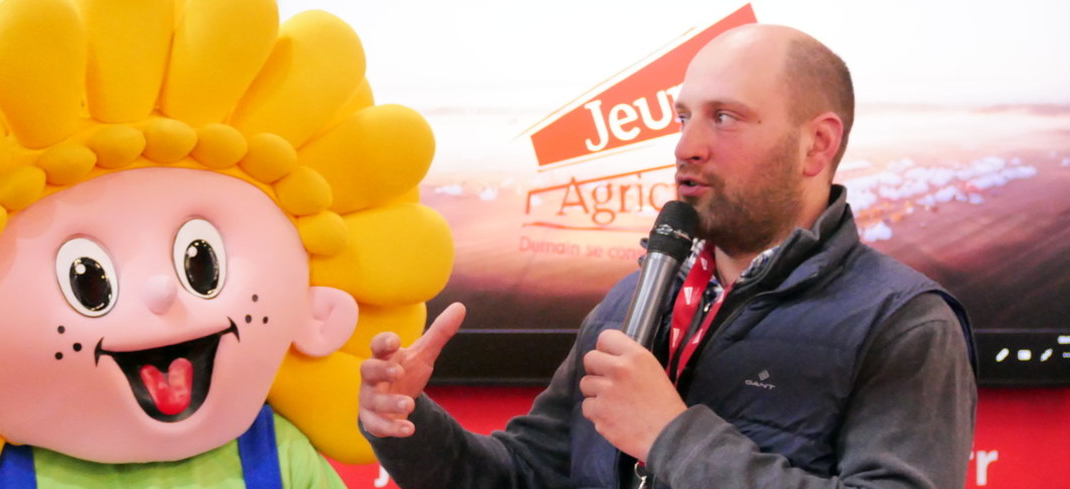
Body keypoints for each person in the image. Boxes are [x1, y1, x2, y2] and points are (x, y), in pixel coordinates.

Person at [358, 23, 977, 489]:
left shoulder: (904, 322)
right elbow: (523, 473)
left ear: (816, 145)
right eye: (683, 117)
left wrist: (669, 435)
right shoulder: (632, 303)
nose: (686, 145)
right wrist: (407, 424)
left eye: (725, 118)